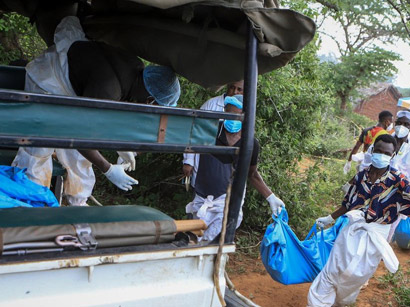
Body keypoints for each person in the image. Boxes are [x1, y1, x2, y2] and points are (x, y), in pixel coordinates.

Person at [11, 16, 180, 206]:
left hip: (75, 89)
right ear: (150, 101)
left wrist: (121, 143)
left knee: (79, 158)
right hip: (48, 82)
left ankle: (78, 204)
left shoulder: (136, 71)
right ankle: (27, 205)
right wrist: (107, 169)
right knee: (39, 148)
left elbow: (108, 115)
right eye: (156, 108)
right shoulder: (109, 87)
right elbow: (80, 135)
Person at [309, 134, 410, 306]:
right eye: (378, 151)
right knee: (333, 269)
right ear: (372, 150)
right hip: (353, 228)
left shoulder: (398, 180)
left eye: (386, 153)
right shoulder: (361, 176)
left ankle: (340, 300)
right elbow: (347, 203)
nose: (381, 155)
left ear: (392, 155)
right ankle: (318, 302)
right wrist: (329, 218)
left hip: (377, 234)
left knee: (356, 274)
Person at [184, 95, 285, 242]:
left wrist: (271, 197)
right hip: (202, 195)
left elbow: (252, 174)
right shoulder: (211, 132)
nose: (232, 119)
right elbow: (189, 138)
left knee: (216, 240)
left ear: (246, 116)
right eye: (228, 114)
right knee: (194, 236)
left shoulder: (250, 143)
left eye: (236, 116)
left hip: (227, 198)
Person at [182, 81, 244, 189]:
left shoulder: (246, 110)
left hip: (228, 167)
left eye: (239, 89)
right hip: (206, 160)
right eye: (232, 87)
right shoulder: (211, 104)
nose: (234, 92)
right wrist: (188, 160)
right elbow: (194, 131)